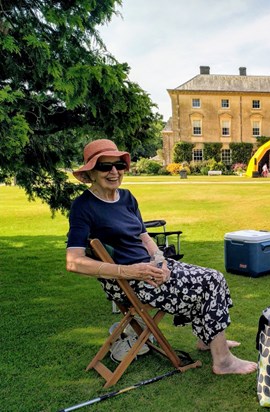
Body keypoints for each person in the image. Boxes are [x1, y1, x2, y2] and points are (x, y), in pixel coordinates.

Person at [66, 139, 257, 375]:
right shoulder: (83, 207)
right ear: (91, 173)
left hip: (149, 269)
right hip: (127, 282)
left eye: (118, 165)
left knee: (212, 276)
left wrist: (160, 260)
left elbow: (144, 237)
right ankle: (223, 361)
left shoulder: (126, 197)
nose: (114, 172)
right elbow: (73, 261)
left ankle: (207, 340)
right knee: (211, 282)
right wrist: (130, 271)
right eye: (105, 166)